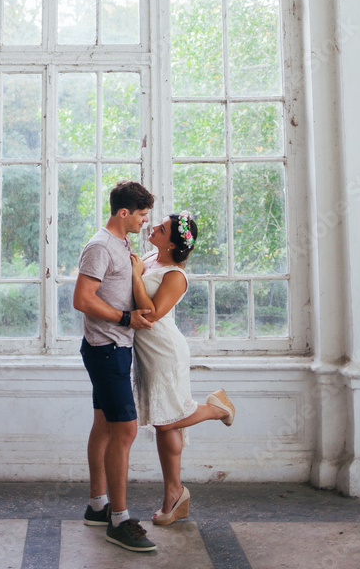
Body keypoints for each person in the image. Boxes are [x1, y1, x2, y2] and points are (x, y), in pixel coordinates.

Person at [130, 211, 235, 526]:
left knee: (165, 421)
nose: (153, 227)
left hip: (165, 353)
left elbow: (150, 315)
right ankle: (174, 494)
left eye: (161, 229)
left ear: (173, 244)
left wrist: (135, 275)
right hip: (147, 353)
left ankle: (217, 409)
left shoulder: (175, 276)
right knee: (167, 425)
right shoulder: (151, 258)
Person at [73, 180, 157, 553]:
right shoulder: (100, 246)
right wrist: (125, 318)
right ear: (124, 213)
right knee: (126, 430)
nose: (145, 221)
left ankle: (97, 507)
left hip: (115, 348)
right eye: (142, 215)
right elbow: (82, 299)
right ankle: (119, 521)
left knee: (106, 426)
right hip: (105, 348)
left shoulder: (121, 243)